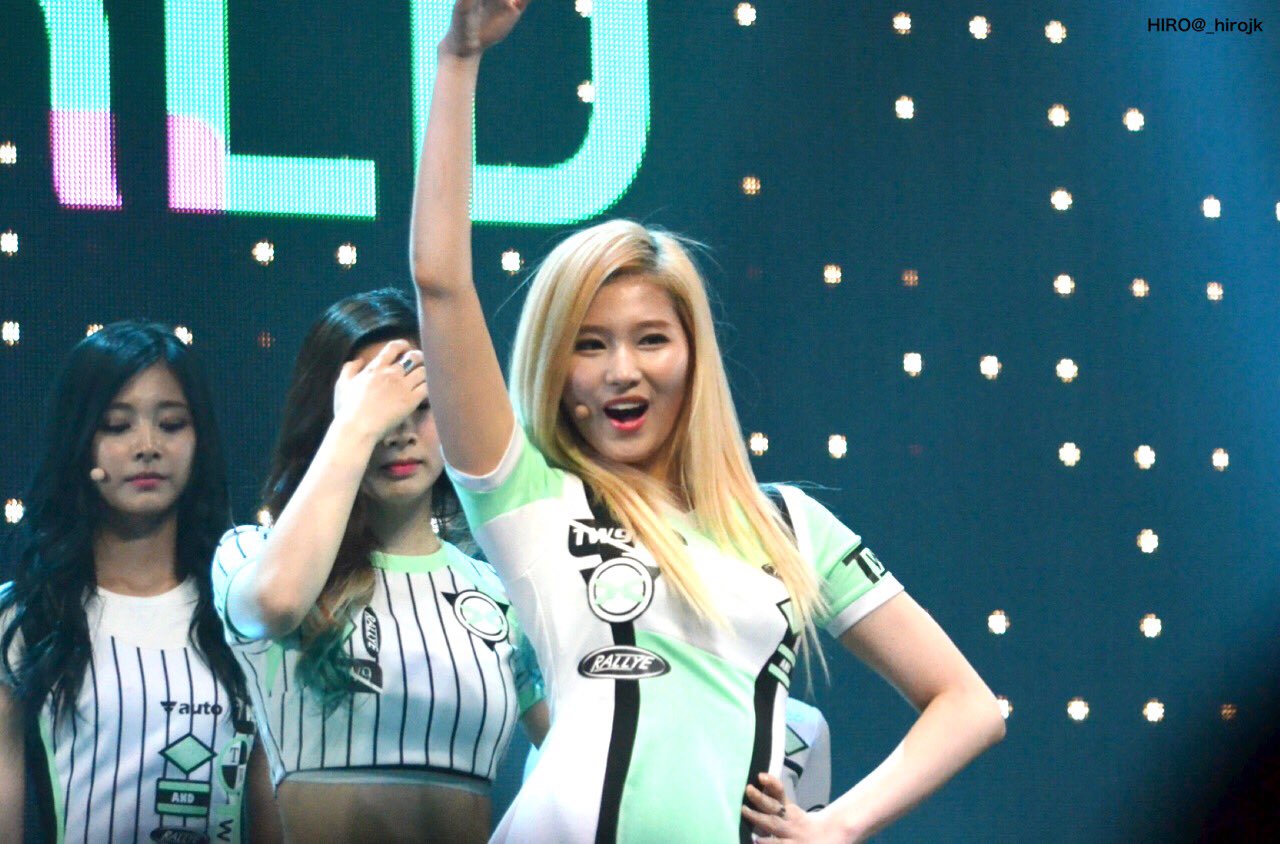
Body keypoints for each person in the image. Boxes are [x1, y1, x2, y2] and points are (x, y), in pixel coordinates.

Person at [409, 2, 1006, 842]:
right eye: (589, 345)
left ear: (693, 354)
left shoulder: (789, 525)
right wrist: (458, 58)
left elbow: (970, 704)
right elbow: (440, 282)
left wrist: (838, 825)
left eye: (651, 339)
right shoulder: (528, 497)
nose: (622, 370)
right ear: (555, 367)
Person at [212, 289, 547, 844]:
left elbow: (584, 751)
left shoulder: (500, 592)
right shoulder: (250, 553)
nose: (398, 432)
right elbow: (275, 605)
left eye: (421, 402)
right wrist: (356, 426)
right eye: (374, 402)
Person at [0, 321, 276, 843]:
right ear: (79, 442)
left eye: (171, 424)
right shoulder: (22, 620)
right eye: (116, 425)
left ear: (199, 441)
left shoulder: (245, 613)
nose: (147, 446)